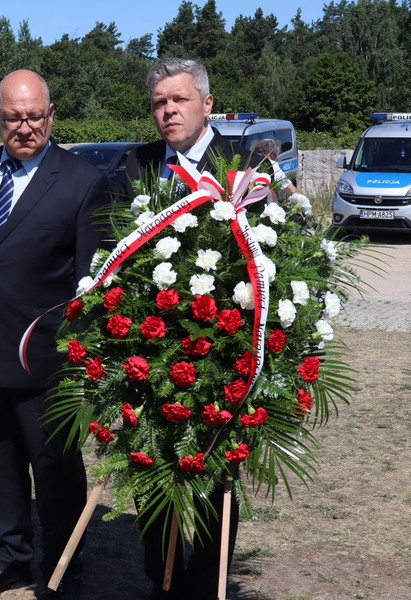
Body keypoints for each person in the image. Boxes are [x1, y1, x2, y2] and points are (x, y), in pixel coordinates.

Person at [0, 69, 110, 600]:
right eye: (14, 117)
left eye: (35, 116)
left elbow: (93, 277)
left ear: (51, 115)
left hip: (47, 358)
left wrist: (85, 352)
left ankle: (62, 569)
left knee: (56, 469)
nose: (26, 126)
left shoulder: (82, 181)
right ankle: (10, 558)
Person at [122, 57, 262, 600]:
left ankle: (204, 587)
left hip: (221, 357)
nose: (168, 111)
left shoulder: (247, 166)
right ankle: (160, 579)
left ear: (206, 103)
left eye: (178, 100)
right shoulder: (135, 167)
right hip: (143, 355)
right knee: (150, 470)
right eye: (159, 103)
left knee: (211, 485)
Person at [252, 138, 312, 216]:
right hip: (264, 209)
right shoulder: (272, 165)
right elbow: (291, 190)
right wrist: (307, 210)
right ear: (272, 155)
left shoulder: (248, 160)